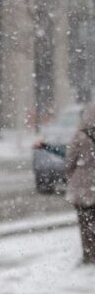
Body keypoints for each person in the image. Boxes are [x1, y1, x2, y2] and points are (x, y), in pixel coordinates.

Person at [63, 102, 95, 264]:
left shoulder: (80, 136)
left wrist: (73, 178)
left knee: (85, 224)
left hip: (83, 189)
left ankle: (89, 256)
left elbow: (70, 161)